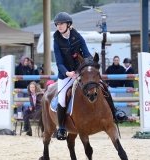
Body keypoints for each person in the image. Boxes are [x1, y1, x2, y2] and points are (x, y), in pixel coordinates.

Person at [53, 12, 127, 140]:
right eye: (57, 24)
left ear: (68, 24)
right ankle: (61, 127)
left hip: (81, 71)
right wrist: (67, 73)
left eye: (61, 24)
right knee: (62, 98)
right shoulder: (56, 40)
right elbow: (59, 62)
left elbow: (86, 53)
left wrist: (89, 67)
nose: (59, 26)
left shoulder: (77, 36)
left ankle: (115, 112)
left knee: (103, 87)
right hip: (65, 75)